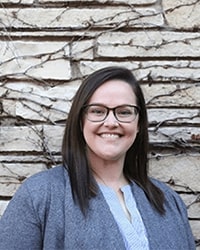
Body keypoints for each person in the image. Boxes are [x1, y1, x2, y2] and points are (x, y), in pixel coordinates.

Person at [0, 66, 196, 250]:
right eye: (97, 111)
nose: (111, 122)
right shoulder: (40, 195)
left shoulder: (169, 201)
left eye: (124, 112)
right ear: (80, 120)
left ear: (138, 124)